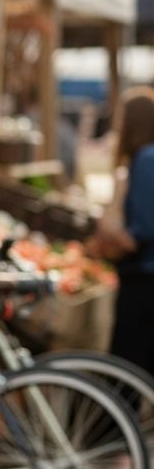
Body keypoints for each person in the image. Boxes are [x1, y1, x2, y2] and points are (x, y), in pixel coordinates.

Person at [91, 86, 154, 374]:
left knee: (124, 373)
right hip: (143, 280)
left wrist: (104, 222)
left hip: (144, 283)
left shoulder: (146, 160)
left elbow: (138, 236)